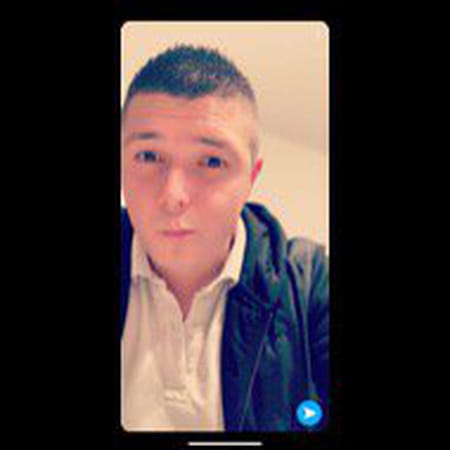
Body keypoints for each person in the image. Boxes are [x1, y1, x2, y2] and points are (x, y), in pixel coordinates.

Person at [120, 44, 329, 432]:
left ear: (251, 178)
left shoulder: (311, 285)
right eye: (148, 156)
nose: (173, 195)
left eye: (212, 161)